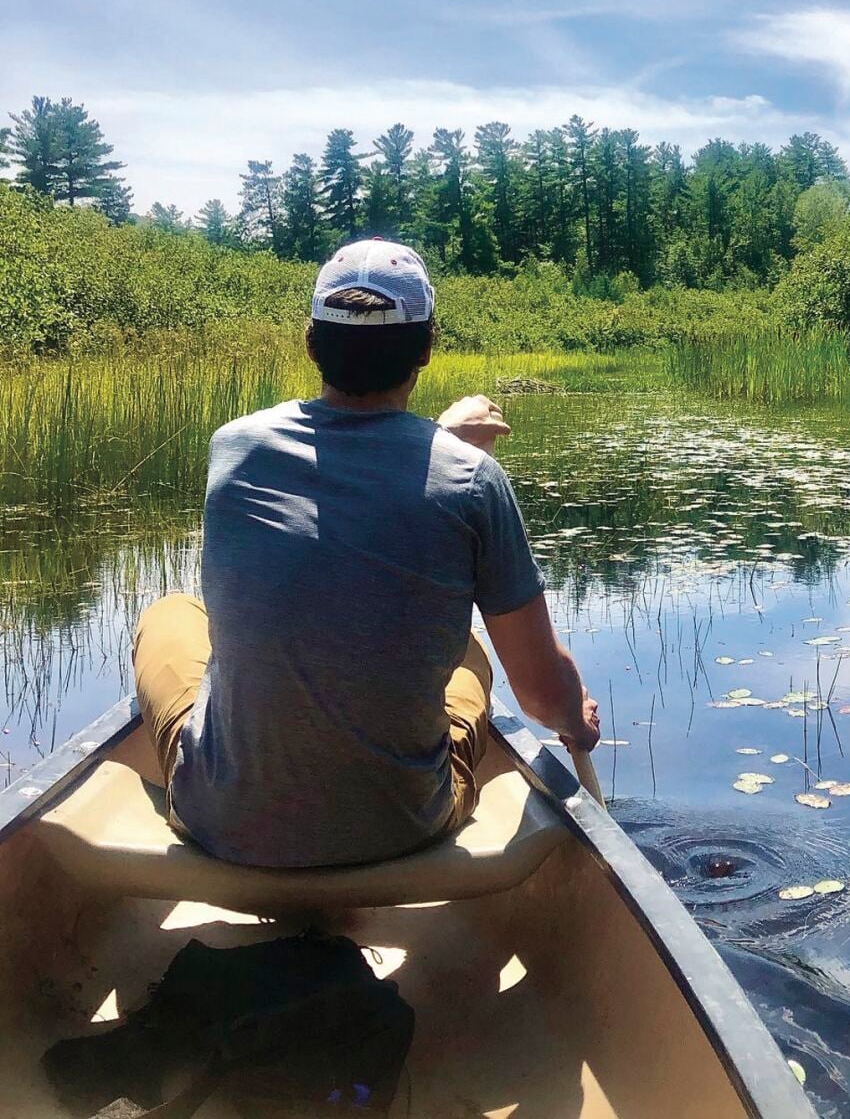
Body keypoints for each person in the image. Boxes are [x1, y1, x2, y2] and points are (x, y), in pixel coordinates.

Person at [130, 239, 599, 868]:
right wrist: (575, 719)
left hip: (221, 823)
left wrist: (439, 439)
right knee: (471, 659)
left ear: (311, 341)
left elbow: (348, 480)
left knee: (170, 615)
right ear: (427, 347)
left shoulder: (233, 449)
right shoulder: (473, 480)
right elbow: (542, 695)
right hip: (401, 828)